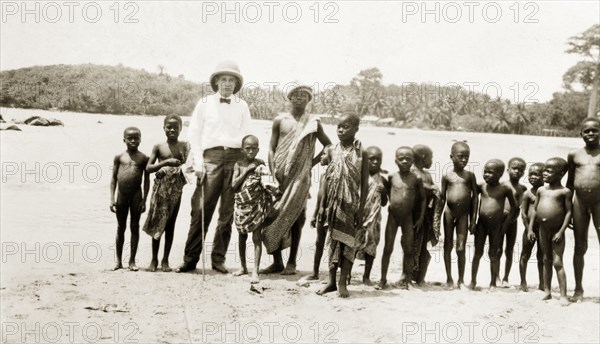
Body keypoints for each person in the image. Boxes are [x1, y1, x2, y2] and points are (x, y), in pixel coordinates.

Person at [177, 61, 251, 274]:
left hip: (235, 160)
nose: (227, 84)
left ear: (236, 83)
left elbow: (247, 137)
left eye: (231, 80)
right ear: (217, 82)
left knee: (226, 213)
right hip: (210, 159)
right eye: (224, 79)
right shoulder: (204, 103)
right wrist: (198, 163)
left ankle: (218, 259)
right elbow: (194, 134)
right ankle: (190, 259)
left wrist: (246, 166)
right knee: (200, 210)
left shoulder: (242, 106)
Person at [260, 85, 331, 275]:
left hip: (300, 176)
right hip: (279, 175)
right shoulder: (279, 120)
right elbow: (271, 148)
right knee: (273, 214)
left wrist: (311, 164)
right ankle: (277, 262)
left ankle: (292, 262)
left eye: (304, 96)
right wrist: (273, 172)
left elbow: (328, 146)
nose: (299, 98)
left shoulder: (313, 123)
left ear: (308, 100)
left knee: (297, 217)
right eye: (296, 95)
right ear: (290, 98)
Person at [317, 114, 369, 297]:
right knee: (332, 242)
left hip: (351, 206)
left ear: (356, 129)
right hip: (333, 204)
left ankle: (342, 282)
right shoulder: (331, 150)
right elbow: (327, 179)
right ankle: (331, 281)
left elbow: (364, 184)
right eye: (338, 126)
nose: (340, 130)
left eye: (345, 126)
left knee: (348, 244)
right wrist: (322, 206)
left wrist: (361, 210)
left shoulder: (362, 153)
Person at [143, 115, 190, 272]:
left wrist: (178, 168)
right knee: (157, 223)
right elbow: (149, 168)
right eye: (168, 127)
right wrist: (164, 164)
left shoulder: (184, 146)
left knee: (170, 224)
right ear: (163, 128)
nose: (171, 130)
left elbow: (189, 167)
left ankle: (165, 260)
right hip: (160, 190)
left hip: (176, 190)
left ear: (180, 129)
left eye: (175, 127)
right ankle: (154, 260)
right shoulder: (159, 147)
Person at [231, 135, 278, 284]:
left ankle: (255, 271)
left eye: (254, 148)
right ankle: (243, 267)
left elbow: (267, 182)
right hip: (241, 207)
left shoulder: (261, 163)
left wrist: (268, 182)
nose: (251, 151)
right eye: (248, 149)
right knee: (241, 236)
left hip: (256, 206)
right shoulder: (238, 165)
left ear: (258, 149)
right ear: (242, 150)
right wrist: (246, 172)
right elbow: (233, 186)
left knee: (257, 237)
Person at [378, 147, 426, 290]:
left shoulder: (416, 178)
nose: (404, 161)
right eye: (401, 158)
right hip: (393, 217)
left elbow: (423, 199)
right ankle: (382, 279)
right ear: (395, 161)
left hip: (408, 217)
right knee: (388, 248)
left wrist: (421, 217)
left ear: (413, 161)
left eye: (408, 159)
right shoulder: (392, 177)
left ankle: (408, 281)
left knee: (409, 249)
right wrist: (384, 192)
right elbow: (387, 194)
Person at [530, 158, 572, 306]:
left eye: (549, 171)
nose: (544, 174)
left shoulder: (564, 192)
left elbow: (568, 213)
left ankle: (563, 295)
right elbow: (535, 210)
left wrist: (561, 231)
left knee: (557, 262)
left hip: (556, 231)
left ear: (561, 174)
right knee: (546, 260)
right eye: (544, 171)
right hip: (543, 230)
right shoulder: (541, 190)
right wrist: (530, 228)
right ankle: (547, 291)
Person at [470, 159, 517, 290]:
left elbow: (514, 207)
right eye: (485, 172)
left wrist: (506, 224)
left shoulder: (505, 189)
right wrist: (473, 221)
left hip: (496, 226)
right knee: (477, 253)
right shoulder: (481, 186)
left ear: (500, 174)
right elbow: (474, 201)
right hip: (481, 225)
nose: (486, 175)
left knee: (493, 254)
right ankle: (473, 281)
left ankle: (492, 283)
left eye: (490, 172)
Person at [567, 117, 600, 302]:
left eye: (594, 130)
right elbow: (570, 184)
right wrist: (567, 210)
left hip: (599, 202)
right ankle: (578, 289)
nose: (590, 134)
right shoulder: (574, 155)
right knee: (579, 247)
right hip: (579, 202)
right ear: (581, 134)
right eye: (586, 131)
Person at [110, 127, 150, 271]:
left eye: (136, 138)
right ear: (124, 140)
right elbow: (114, 179)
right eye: (130, 138)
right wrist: (111, 198)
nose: (133, 140)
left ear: (140, 139)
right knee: (121, 227)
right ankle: (119, 261)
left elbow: (146, 180)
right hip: (121, 195)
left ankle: (132, 261)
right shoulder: (119, 156)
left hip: (136, 196)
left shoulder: (144, 158)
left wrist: (145, 199)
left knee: (134, 226)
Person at [440, 141, 478, 289]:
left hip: (463, 215)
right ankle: (449, 278)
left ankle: (461, 280)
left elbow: (475, 197)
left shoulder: (470, 176)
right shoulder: (446, 176)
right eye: (460, 156)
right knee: (447, 245)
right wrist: (435, 219)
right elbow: (442, 198)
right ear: (451, 157)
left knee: (460, 248)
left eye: (467, 157)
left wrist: (473, 220)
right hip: (449, 213)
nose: (464, 160)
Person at [355, 146, 388, 286]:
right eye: (371, 159)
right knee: (353, 245)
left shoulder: (382, 180)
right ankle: (348, 274)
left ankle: (366, 276)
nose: (374, 162)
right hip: (358, 217)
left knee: (372, 245)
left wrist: (384, 192)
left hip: (374, 219)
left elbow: (385, 203)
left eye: (378, 159)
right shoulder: (358, 177)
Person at [411, 144, 441, 285]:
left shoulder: (427, 174)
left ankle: (420, 277)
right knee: (411, 246)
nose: (432, 160)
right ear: (423, 157)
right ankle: (409, 276)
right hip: (413, 216)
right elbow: (416, 186)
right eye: (431, 157)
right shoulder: (411, 171)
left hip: (426, 216)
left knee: (423, 247)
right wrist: (431, 188)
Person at [499, 157, 527, 287]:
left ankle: (506, 277)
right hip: (500, 221)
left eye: (520, 170)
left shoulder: (523, 188)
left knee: (509, 250)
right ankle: (496, 276)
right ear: (507, 169)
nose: (517, 171)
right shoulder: (502, 185)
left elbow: (522, 206)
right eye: (514, 168)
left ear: (523, 173)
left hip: (513, 222)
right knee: (497, 249)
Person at [307, 145, 333, 281]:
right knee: (319, 242)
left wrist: (322, 208)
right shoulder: (323, 174)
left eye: (324, 154)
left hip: (330, 211)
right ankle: (315, 272)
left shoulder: (334, 174)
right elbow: (319, 195)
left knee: (332, 244)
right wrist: (314, 213)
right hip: (321, 211)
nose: (321, 157)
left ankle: (331, 275)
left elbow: (326, 196)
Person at [519, 162, 545, 292]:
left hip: (544, 230)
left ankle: (542, 283)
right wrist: (528, 229)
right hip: (530, 229)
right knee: (525, 255)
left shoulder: (546, 192)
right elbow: (523, 213)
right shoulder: (528, 194)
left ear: (543, 176)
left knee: (542, 256)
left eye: (536, 174)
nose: (532, 177)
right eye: (530, 175)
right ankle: (523, 281)